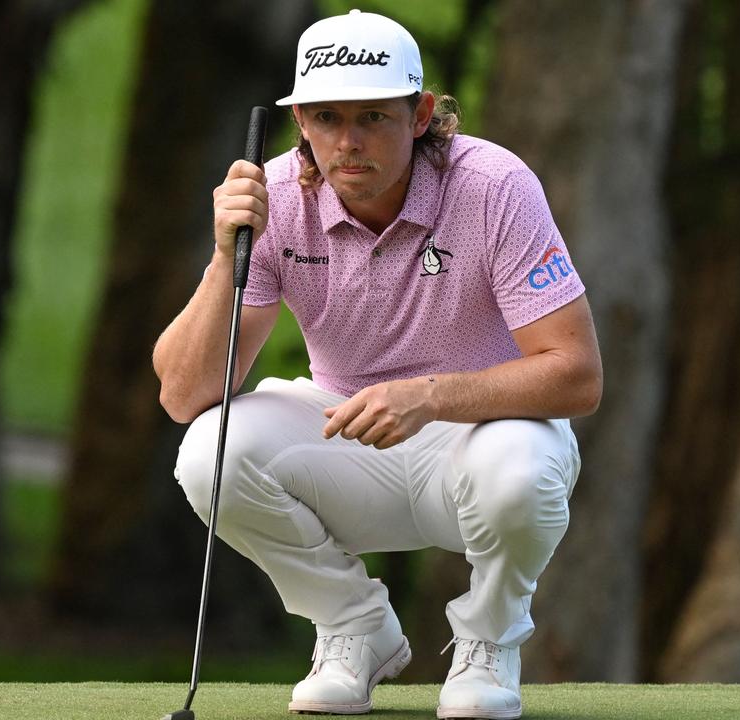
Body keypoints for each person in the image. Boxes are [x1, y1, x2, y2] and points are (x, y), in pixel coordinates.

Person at [152, 9, 601, 719]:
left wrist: (428, 396)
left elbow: (576, 373)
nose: (348, 143)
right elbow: (184, 394)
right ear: (299, 118)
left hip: (478, 442)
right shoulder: (273, 199)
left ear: (421, 114)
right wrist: (222, 256)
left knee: (523, 469)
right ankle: (354, 628)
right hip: (345, 440)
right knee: (208, 451)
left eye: (374, 117)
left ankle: (489, 644)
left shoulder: (494, 186)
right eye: (327, 117)